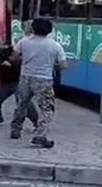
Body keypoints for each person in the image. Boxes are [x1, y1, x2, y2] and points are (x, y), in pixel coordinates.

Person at [9, 17, 67, 148]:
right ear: (49, 30)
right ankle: (40, 135)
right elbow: (63, 65)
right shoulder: (55, 45)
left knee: (21, 105)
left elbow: (14, 57)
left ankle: (15, 130)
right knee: (47, 109)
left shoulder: (24, 42)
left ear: (33, 28)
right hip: (44, 80)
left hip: (25, 77)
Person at [0, 33, 38, 128]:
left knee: (24, 103)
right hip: (5, 83)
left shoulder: (10, 50)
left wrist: (12, 61)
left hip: (18, 81)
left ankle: (36, 123)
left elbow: (20, 59)